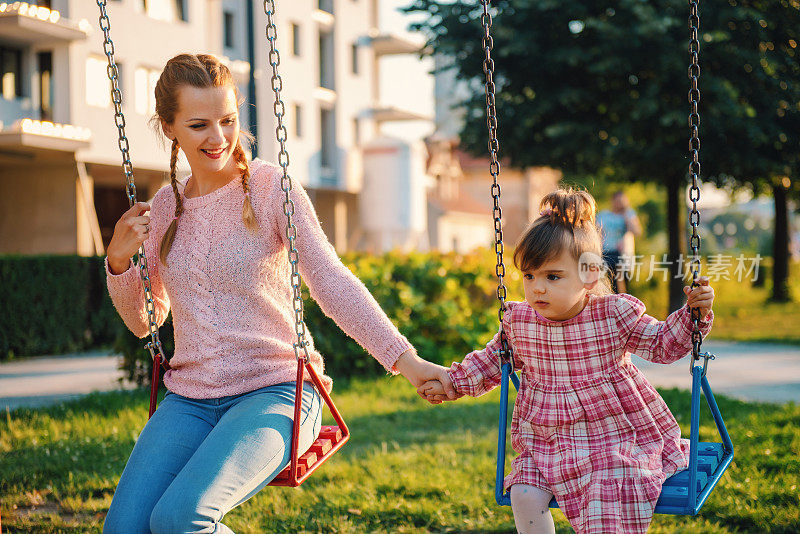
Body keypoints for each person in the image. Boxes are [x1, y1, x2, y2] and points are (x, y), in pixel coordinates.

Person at [102, 54, 455, 534]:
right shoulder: (166, 207)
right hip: (190, 399)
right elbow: (147, 320)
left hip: (278, 392)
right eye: (199, 124)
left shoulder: (269, 188)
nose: (218, 137)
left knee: (179, 519)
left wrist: (406, 362)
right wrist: (120, 262)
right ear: (170, 128)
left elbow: (331, 281)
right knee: (123, 529)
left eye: (227, 121)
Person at [418, 188, 715, 534]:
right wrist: (451, 383)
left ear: (589, 275)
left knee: (609, 500)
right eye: (529, 276)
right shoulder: (520, 322)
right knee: (524, 493)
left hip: (614, 437)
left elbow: (663, 344)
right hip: (547, 440)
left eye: (552, 276)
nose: (537, 289)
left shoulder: (613, 315)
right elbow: (488, 362)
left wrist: (696, 314)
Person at [596, 190, 643, 293]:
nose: (619, 203)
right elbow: (597, 233)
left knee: (624, 283)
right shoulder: (603, 215)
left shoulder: (629, 214)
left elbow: (636, 231)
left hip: (623, 253)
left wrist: (627, 214)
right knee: (611, 284)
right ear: (612, 201)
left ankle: (624, 305)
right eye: (617, 201)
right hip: (607, 252)